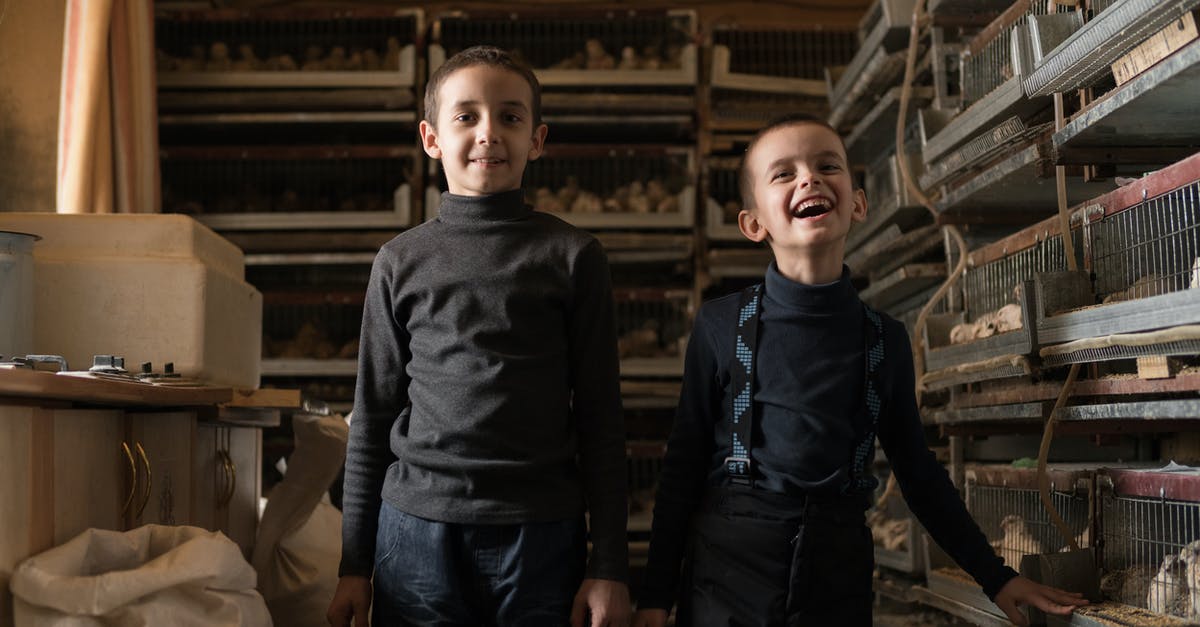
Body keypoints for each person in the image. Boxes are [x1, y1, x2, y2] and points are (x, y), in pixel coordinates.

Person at [632, 114, 1087, 627]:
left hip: (837, 574)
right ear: (754, 222)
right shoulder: (721, 326)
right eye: (784, 174)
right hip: (729, 576)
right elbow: (682, 468)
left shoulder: (884, 340)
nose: (810, 178)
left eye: (828, 165)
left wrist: (996, 576)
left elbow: (918, 474)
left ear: (858, 202)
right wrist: (654, 598)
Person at [327, 45, 631, 627]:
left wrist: (610, 565)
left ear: (537, 139)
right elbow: (370, 418)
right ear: (431, 138)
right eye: (466, 116)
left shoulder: (573, 256)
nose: (489, 133)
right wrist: (354, 566)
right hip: (415, 534)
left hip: (542, 535)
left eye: (510, 117)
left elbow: (600, 416)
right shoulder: (398, 262)